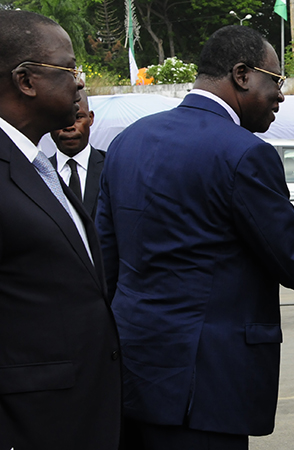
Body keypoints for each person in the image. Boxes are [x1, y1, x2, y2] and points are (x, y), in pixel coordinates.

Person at [96, 25, 294, 450]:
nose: (281, 96)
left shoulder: (127, 140)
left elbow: (107, 255)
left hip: (133, 372)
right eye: (277, 81)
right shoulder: (244, 152)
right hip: (205, 384)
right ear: (243, 74)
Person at [0, 10, 120, 450]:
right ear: (26, 81)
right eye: (69, 68)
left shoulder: (37, 165)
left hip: (81, 413)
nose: (80, 82)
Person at [50, 90, 106, 218]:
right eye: (60, 118)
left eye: (78, 117)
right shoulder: (37, 173)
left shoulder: (113, 169)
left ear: (90, 118)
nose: (69, 126)